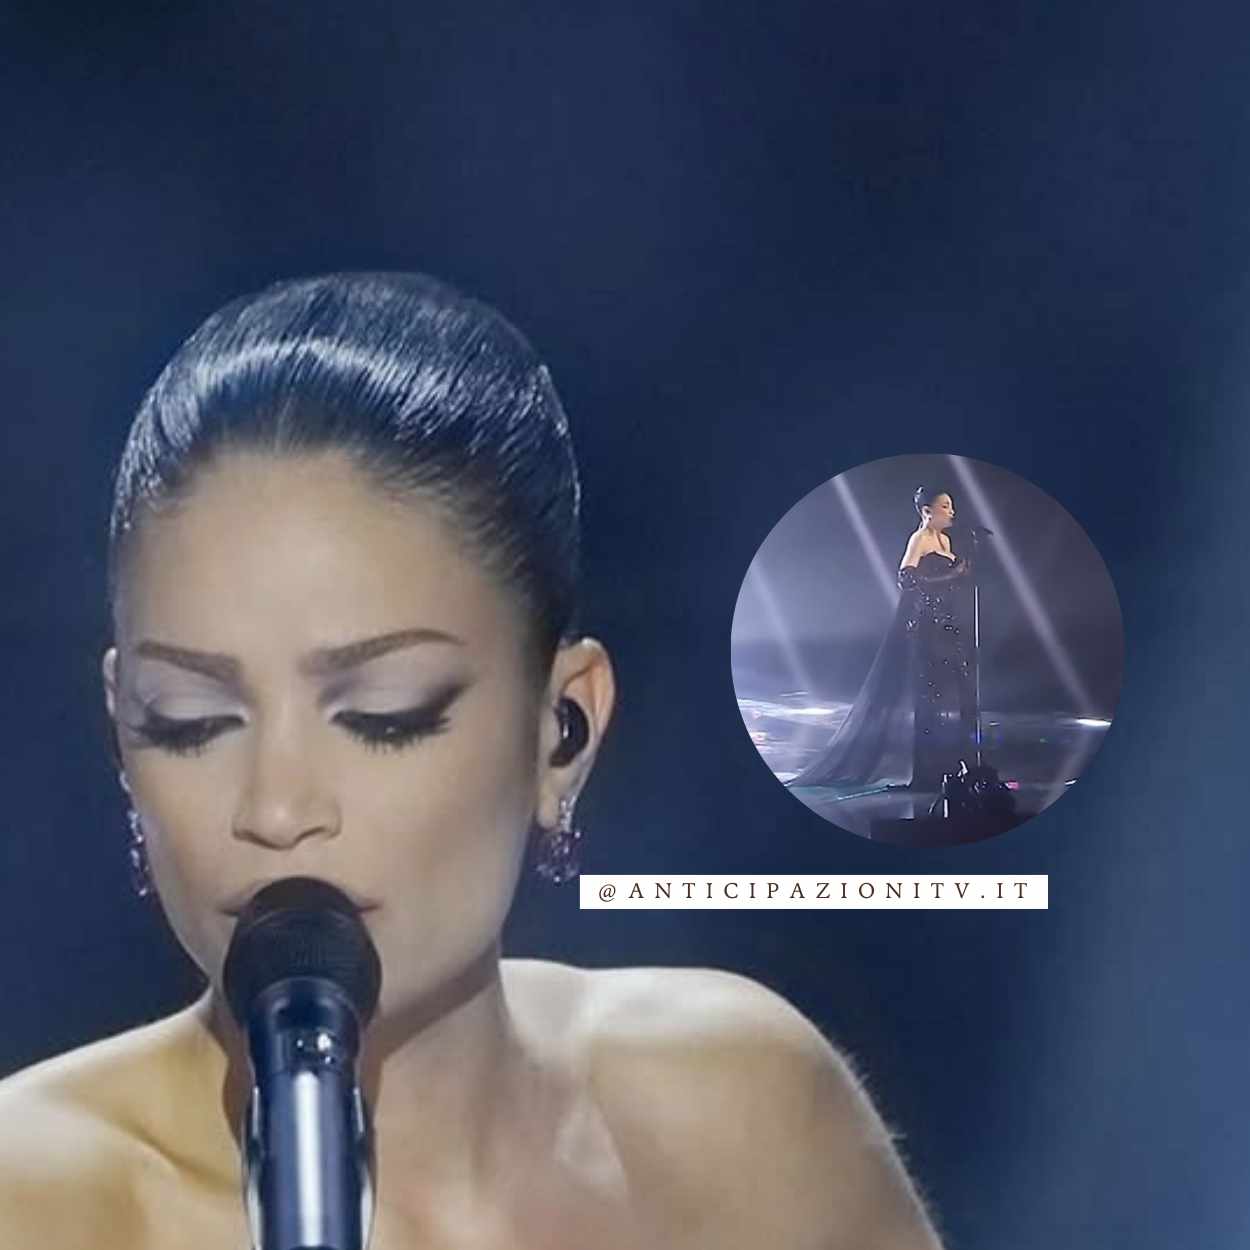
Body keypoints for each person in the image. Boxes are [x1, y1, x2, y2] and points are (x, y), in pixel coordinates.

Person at [0, 273, 942, 1248]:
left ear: (562, 729)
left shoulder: (745, 1119)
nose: (277, 809)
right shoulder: (30, 1202)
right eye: (190, 722)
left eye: (384, 714)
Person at [787, 485, 977, 793]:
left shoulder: (946, 540)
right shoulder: (920, 539)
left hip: (947, 622)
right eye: (945, 506)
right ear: (927, 511)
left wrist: (960, 575)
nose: (952, 511)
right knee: (929, 696)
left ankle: (953, 766)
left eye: (951, 505)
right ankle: (927, 773)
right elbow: (907, 579)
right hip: (925, 624)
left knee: (953, 692)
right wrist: (953, 575)